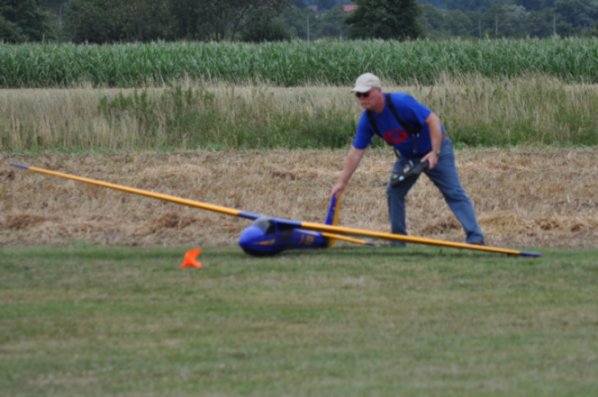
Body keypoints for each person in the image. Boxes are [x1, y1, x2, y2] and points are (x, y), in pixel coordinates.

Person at [331, 73, 485, 245]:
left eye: (365, 94)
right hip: (407, 156)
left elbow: (433, 120)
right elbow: (356, 152)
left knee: (453, 192)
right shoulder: (368, 120)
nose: (361, 99)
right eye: (358, 95)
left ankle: (475, 237)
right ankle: (398, 241)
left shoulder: (401, 102)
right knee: (394, 191)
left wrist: (435, 153)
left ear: (378, 91)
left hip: (435, 148)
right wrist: (342, 182)